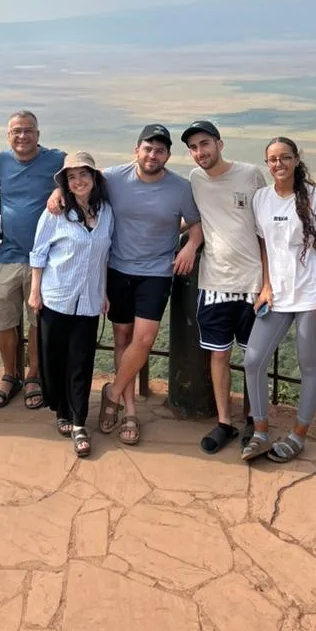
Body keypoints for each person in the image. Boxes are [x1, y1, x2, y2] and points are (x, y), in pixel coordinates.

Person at [96, 124, 203, 446]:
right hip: (117, 268)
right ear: (136, 150)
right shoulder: (113, 178)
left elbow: (196, 224)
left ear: (168, 155)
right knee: (122, 338)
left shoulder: (179, 188)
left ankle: (112, 393)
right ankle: (128, 410)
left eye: (160, 150)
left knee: (142, 340)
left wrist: (189, 246)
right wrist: (59, 192)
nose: (152, 155)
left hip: (156, 271)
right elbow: (78, 182)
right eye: (147, 148)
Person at [241, 136, 316, 463]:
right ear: (266, 164)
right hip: (278, 294)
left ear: (296, 160)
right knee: (253, 360)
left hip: (311, 294)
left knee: (308, 365)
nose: (278, 164)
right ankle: (260, 431)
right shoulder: (261, 199)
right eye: (272, 159)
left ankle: (299, 434)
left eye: (285, 158)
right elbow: (264, 246)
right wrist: (266, 286)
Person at [182, 119, 267, 454]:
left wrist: (268, 284)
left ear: (220, 144)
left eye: (205, 144)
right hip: (214, 283)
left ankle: (253, 420)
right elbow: (193, 218)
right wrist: (189, 242)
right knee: (219, 355)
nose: (200, 153)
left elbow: (265, 232)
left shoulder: (250, 175)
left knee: (254, 357)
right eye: (193, 148)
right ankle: (224, 422)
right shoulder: (194, 179)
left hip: (252, 284)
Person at [29, 153, 114, 458]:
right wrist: (35, 292)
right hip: (56, 295)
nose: (78, 182)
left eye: (83, 175)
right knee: (54, 360)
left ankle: (79, 422)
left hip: (89, 299)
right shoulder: (56, 213)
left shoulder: (106, 212)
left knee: (81, 360)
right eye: (72, 177)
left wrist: (103, 293)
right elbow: (38, 253)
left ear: (94, 178)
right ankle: (61, 408)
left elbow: (103, 255)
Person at [0, 110, 64, 409]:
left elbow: (83, 176)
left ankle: (33, 375)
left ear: (38, 134)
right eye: (16, 131)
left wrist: (59, 187)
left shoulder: (56, 160)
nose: (22, 136)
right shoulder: (0, 163)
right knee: (4, 319)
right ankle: (10, 374)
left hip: (46, 258)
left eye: (28, 130)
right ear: (8, 136)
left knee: (37, 320)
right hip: (8, 253)